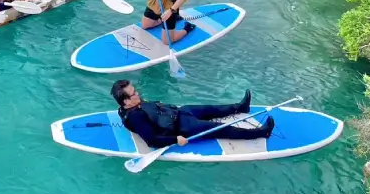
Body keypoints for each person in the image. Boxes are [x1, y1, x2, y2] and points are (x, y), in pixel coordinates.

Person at [110, 80, 274, 147]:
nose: (138, 93)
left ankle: (241, 107)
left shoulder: (130, 104)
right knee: (220, 128)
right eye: (134, 94)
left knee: (210, 109)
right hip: (181, 127)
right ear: (126, 101)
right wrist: (176, 139)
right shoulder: (135, 117)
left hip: (177, 112)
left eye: (135, 90)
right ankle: (262, 132)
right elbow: (151, 140)